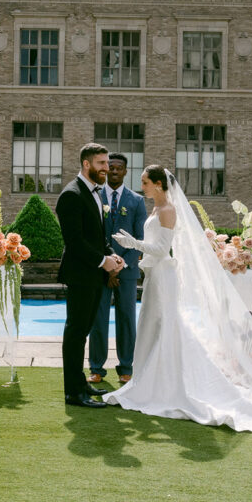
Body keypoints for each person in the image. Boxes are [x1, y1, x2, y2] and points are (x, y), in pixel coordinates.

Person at [102, 165, 252, 431]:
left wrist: (133, 244)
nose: (141, 185)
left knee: (167, 326)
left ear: (158, 184)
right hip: (155, 276)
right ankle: (148, 381)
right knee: (153, 325)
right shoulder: (156, 209)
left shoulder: (168, 210)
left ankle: (170, 385)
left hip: (163, 276)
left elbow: (161, 249)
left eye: (145, 182)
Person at [56, 143, 123, 408]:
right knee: (75, 333)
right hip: (80, 275)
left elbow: (95, 235)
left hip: (93, 274)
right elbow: (74, 241)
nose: (107, 168)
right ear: (87, 164)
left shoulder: (95, 193)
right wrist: (102, 261)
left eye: (107, 163)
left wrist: (110, 254)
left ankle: (80, 382)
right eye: (102, 163)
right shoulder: (71, 195)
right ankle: (73, 393)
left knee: (82, 331)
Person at [87, 152, 145, 385]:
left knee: (126, 319)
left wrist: (121, 265)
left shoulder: (136, 200)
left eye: (118, 168)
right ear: (104, 169)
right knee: (98, 319)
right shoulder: (95, 196)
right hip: (100, 269)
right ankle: (97, 369)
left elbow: (140, 238)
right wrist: (107, 265)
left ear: (125, 171)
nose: (113, 171)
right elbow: (93, 235)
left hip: (127, 272)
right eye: (109, 167)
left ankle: (126, 367)